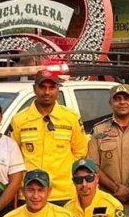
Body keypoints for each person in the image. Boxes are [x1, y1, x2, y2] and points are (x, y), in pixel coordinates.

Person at [10, 70, 88, 205]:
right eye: (42, 87)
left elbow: (80, 152)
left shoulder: (71, 118)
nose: (47, 92)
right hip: (30, 193)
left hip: (63, 193)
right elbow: (13, 157)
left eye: (52, 87)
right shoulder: (19, 120)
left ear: (58, 89)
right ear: (34, 89)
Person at [87, 83, 129, 217]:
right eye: (117, 98)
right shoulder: (99, 130)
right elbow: (93, 166)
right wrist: (116, 189)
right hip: (108, 204)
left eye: (127, 98)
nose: (122, 102)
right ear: (110, 103)